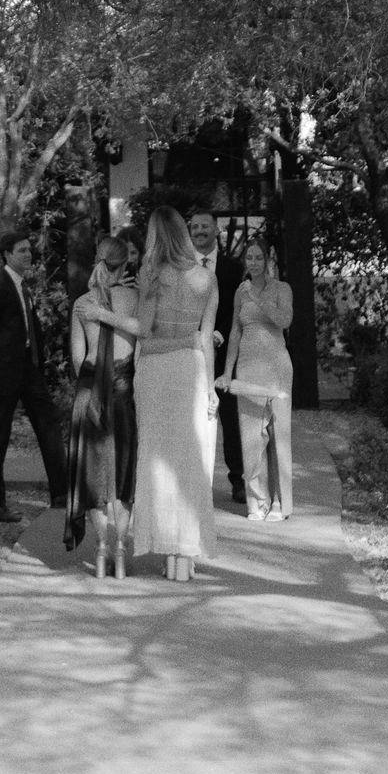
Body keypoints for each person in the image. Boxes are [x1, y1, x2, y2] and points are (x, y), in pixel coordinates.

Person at [133, 205, 219, 582]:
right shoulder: (207, 278)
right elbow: (206, 339)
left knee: (157, 462)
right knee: (190, 462)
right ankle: (184, 555)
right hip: (192, 370)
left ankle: (169, 548)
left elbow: (144, 334)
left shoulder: (151, 274)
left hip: (156, 371)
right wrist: (211, 387)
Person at [0, 231, 67, 522]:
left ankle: (61, 495)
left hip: (29, 369)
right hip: (3, 373)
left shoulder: (22, 286)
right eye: (22, 250)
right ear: (7, 254)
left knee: (49, 425)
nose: (29, 254)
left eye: (29, 249)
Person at [63, 237, 139, 579]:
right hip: (124, 392)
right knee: (123, 473)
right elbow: (144, 337)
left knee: (93, 475)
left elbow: (77, 358)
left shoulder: (82, 303)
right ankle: (120, 548)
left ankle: (101, 547)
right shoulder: (135, 298)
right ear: (125, 266)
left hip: (89, 391)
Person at [216, 236, 294, 522]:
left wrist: (258, 298)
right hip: (247, 367)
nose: (254, 263)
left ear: (267, 259)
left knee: (277, 433)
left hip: (276, 365)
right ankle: (257, 501)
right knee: (251, 437)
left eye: (258, 257)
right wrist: (227, 371)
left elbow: (285, 320)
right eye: (249, 258)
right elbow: (235, 332)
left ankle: (279, 502)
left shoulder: (282, 289)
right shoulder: (240, 291)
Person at [188, 209, 246, 504]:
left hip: (223, 354)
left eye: (205, 226)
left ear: (216, 230)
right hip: (188, 352)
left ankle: (239, 479)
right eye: (195, 227)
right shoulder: (181, 267)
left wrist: (218, 334)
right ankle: (194, 483)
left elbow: (238, 308)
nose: (199, 231)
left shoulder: (233, 268)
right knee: (191, 419)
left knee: (231, 419)